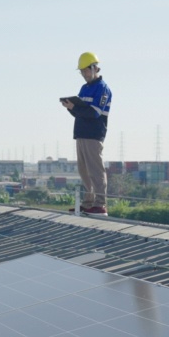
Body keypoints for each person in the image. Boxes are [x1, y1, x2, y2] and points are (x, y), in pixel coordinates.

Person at [61, 51, 112, 215]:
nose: (84, 74)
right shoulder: (84, 88)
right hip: (81, 133)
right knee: (84, 171)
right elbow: (80, 112)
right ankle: (89, 203)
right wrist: (71, 107)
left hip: (93, 134)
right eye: (82, 71)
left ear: (94, 68)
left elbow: (94, 113)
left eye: (86, 70)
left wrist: (75, 108)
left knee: (96, 171)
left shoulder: (102, 89)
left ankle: (100, 204)